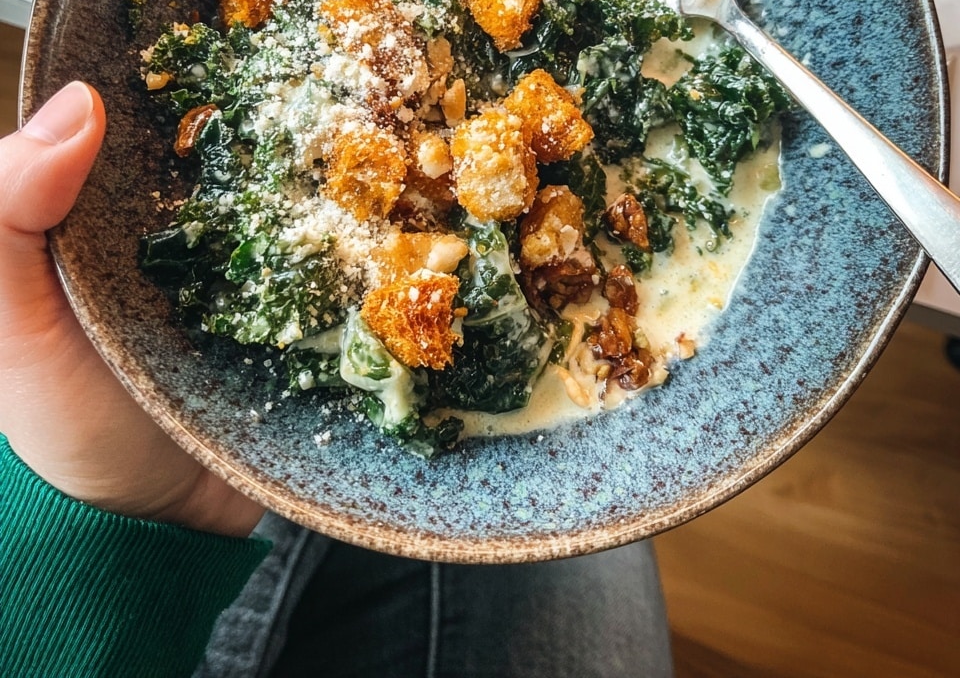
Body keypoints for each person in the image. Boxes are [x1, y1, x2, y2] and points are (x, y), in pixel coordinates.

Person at [0, 81, 674, 678]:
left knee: (579, 548)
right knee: (593, 562)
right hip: (147, 590)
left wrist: (113, 511)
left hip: (138, 562)